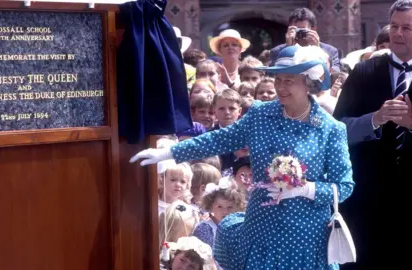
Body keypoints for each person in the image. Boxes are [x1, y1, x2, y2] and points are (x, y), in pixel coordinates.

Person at [131, 45, 354, 270]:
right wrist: (169, 152)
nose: (280, 87)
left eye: (289, 81)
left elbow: (344, 187)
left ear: (309, 82)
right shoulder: (260, 115)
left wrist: (306, 189)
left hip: (306, 239)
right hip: (261, 232)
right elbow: (217, 140)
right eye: (278, 79)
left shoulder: (330, 129)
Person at [333, 0, 412, 268]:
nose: (397, 34)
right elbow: (336, 131)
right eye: (393, 26)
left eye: (406, 28)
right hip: (369, 201)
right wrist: (374, 120)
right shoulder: (364, 72)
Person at [270, 8, 341, 72]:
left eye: (303, 30)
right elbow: (272, 74)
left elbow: (334, 73)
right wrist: (288, 50)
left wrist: (318, 50)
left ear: (313, 29)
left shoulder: (330, 51)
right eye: (296, 29)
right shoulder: (277, 51)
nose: (299, 33)